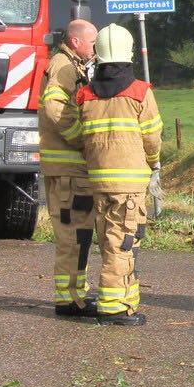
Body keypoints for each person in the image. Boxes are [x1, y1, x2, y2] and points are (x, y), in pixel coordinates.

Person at [69, 24, 163, 327]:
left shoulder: (85, 96)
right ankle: (113, 308)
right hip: (130, 187)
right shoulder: (140, 93)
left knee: (111, 241)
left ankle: (125, 301)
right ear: (129, 53)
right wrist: (154, 165)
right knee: (122, 243)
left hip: (99, 182)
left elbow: (78, 135)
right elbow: (152, 138)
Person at [38, 19, 98, 317]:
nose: (95, 49)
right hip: (68, 172)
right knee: (72, 236)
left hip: (72, 173)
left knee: (80, 235)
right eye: (92, 42)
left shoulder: (71, 64)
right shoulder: (63, 66)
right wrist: (79, 139)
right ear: (76, 41)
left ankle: (74, 296)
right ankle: (70, 299)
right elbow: (55, 107)